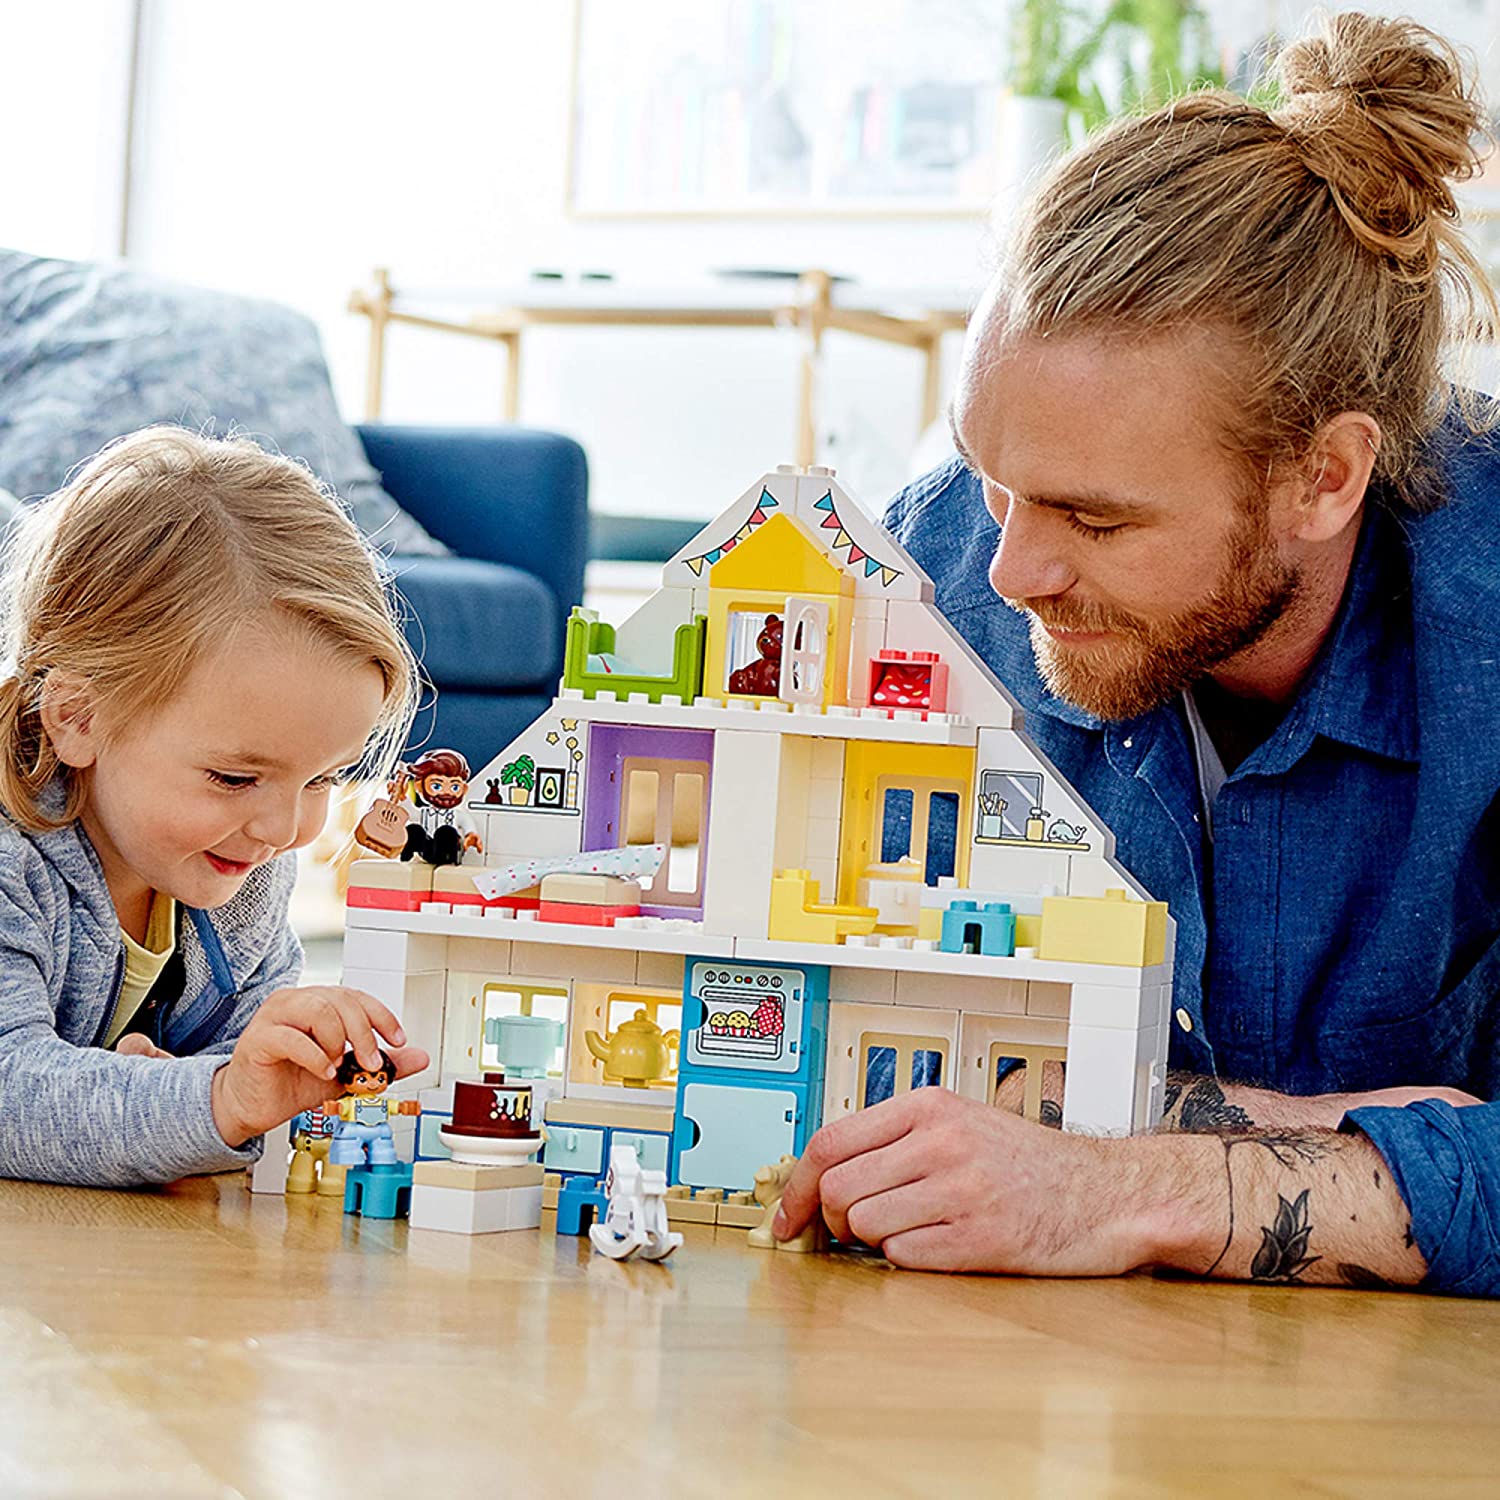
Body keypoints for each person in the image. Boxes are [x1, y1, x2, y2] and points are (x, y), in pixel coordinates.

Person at [776, 13, 1500, 1297]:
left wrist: (1120, 1180)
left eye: (1097, 520)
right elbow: (771, 1005)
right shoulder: (940, 561)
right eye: (999, 483)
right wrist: (1324, 1139)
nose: (1009, 576)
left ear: (1324, 477)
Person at [0, 427, 430, 1187]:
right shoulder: (13, 861)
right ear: (78, 717)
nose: (283, 829)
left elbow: (244, 1075)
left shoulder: (240, 869)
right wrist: (209, 1097)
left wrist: (260, 1079)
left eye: (324, 779)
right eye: (235, 779)